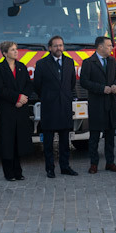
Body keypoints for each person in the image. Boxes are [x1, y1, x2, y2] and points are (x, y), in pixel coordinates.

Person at [33, 36, 78, 178]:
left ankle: (65, 167)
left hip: (64, 107)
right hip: (49, 108)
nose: (59, 48)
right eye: (56, 45)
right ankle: (50, 169)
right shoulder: (41, 64)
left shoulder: (70, 62)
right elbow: (37, 86)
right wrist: (47, 97)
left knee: (65, 141)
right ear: (50, 48)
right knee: (48, 143)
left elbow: (71, 83)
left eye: (61, 45)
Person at [0, 41, 35, 181]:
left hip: (20, 110)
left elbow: (29, 85)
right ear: (5, 53)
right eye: (12, 50)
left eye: (16, 49)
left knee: (18, 140)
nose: (16, 52)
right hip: (7, 110)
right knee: (7, 141)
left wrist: (23, 98)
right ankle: (8, 172)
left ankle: (18, 171)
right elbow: (1, 89)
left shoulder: (22, 67)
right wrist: (16, 98)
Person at [80, 36, 116, 174]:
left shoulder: (111, 61)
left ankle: (110, 163)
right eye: (109, 45)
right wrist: (101, 88)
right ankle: (94, 164)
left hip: (111, 103)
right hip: (97, 104)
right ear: (100, 47)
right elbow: (84, 82)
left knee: (110, 136)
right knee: (94, 137)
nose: (111, 48)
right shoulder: (88, 62)